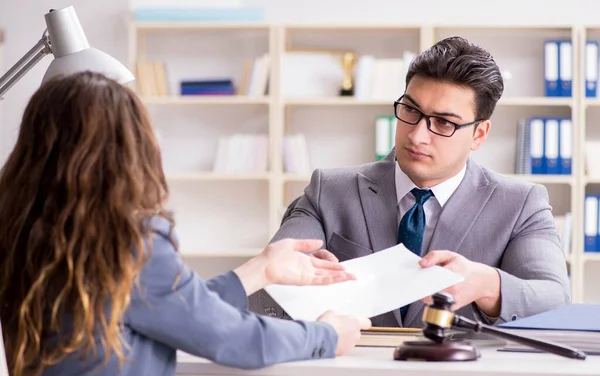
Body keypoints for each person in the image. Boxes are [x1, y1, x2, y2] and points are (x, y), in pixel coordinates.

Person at [0, 71, 371, 376]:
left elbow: (167, 304)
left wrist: (261, 269)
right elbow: (235, 339)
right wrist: (326, 335)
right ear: (129, 152)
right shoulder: (129, 244)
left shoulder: (24, 231)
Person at [249, 36, 571, 328]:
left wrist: (488, 284)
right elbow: (261, 292)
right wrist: (286, 281)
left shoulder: (520, 204)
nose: (417, 135)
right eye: (410, 111)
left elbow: (554, 299)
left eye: (443, 123)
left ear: (479, 134)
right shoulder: (329, 191)